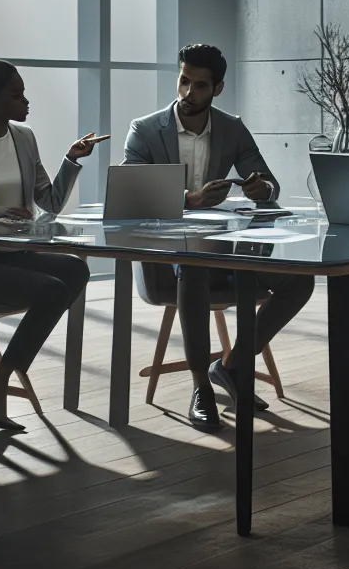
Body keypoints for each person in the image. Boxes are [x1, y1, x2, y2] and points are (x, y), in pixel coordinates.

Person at [122, 44, 314, 432]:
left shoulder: (231, 128)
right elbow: (131, 193)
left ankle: (232, 364)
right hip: (169, 255)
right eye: (183, 81)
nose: (188, 92)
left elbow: (268, 182)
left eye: (199, 86)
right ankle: (201, 389)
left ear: (218, 88)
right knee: (193, 268)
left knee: (300, 281)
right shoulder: (145, 130)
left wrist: (261, 188)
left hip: (225, 249)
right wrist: (188, 199)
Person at [0, 59, 107, 432]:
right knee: (51, 290)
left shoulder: (25, 138)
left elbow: (50, 201)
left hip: (17, 253)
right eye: (16, 96)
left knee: (76, 270)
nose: (25, 102)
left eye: (23, 94)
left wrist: (71, 159)